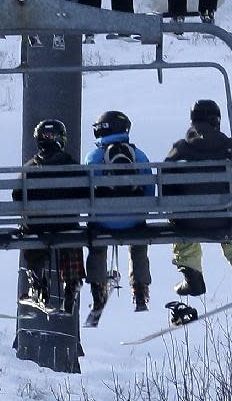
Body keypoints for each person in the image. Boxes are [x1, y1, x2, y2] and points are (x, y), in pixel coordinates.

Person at [166, 99, 232, 299]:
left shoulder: (182, 149)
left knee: (181, 228)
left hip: (189, 221)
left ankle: (191, 274)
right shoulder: (230, 147)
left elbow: (166, 182)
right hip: (223, 214)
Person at [85, 111, 153, 314]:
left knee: (96, 245)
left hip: (102, 222)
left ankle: (98, 291)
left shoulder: (94, 157)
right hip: (134, 221)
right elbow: (150, 191)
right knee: (138, 245)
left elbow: (85, 191)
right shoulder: (139, 156)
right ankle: (140, 290)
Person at [15, 119, 85, 313]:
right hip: (66, 225)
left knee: (31, 234)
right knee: (71, 235)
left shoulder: (28, 169)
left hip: (38, 227)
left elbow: (17, 197)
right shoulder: (72, 167)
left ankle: (38, 283)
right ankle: (71, 282)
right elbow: (86, 194)